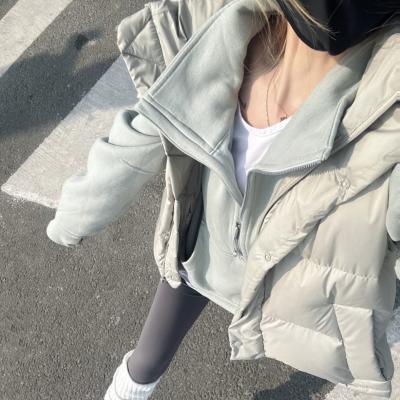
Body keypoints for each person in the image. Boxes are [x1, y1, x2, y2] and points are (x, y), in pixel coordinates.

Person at [46, 0, 400, 399]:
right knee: (145, 361)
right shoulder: (228, 30)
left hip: (300, 296)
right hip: (205, 254)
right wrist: (77, 211)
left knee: (356, 365)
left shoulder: (384, 111)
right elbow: (148, 126)